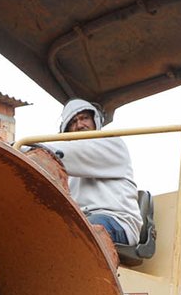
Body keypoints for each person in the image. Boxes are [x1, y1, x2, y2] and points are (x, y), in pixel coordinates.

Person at [52, 99, 141, 246]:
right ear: (66, 131)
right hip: (81, 220)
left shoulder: (112, 145)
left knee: (82, 231)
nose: (80, 125)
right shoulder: (65, 164)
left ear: (96, 121)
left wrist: (21, 149)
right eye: (73, 122)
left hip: (117, 221)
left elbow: (55, 152)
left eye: (84, 118)